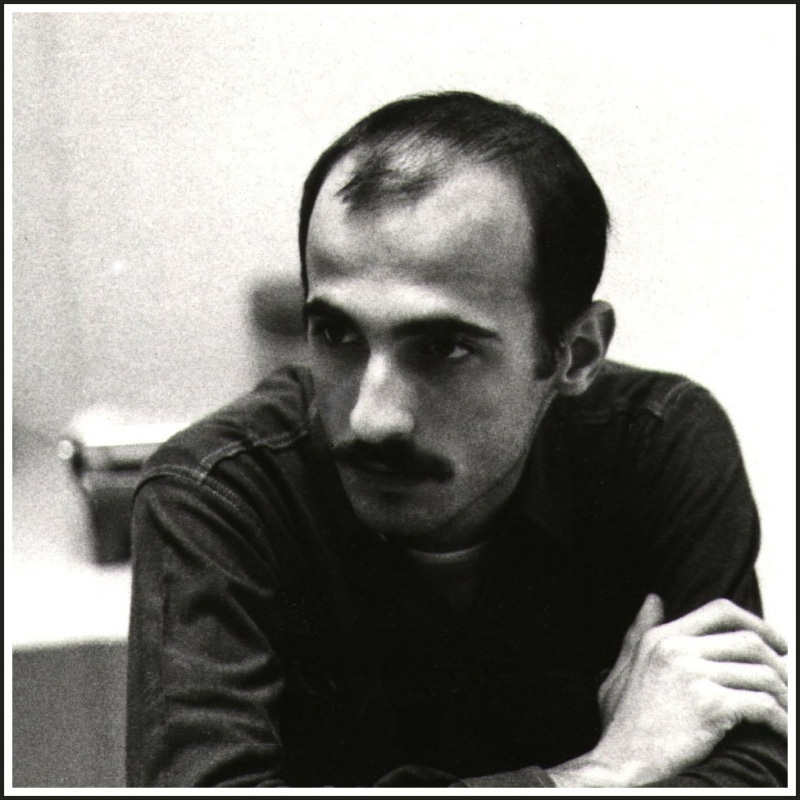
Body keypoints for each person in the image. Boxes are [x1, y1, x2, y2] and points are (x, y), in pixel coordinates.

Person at [126, 92, 788, 787]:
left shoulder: (658, 446)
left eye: (442, 347)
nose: (372, 419)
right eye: (337, 333)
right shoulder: (216, 494)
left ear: (577, 353)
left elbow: (748, 769)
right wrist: (598, 774)